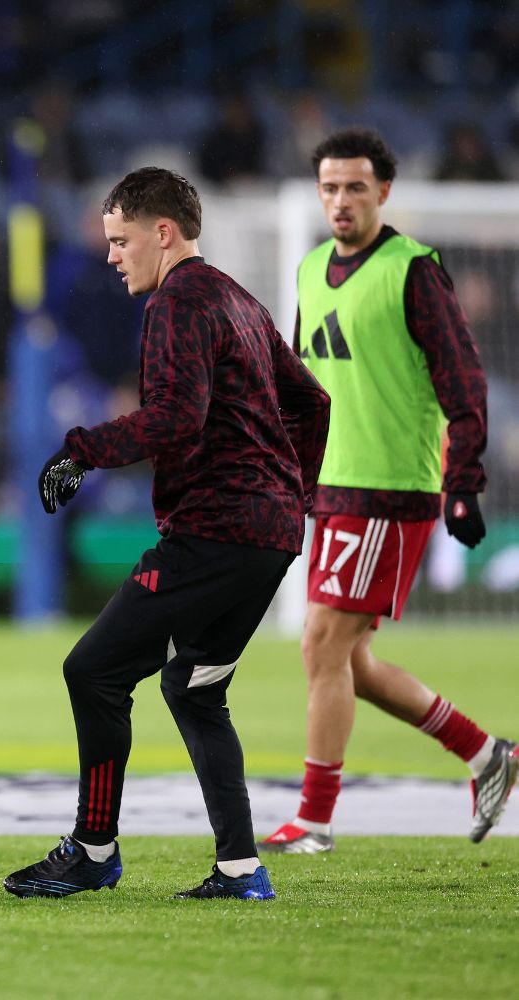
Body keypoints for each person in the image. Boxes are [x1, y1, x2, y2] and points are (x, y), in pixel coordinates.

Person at [5, 167, 330, 901]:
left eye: (120, 240)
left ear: (163, 233)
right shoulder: (238, 300)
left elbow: (178, 418)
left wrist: (81, 449)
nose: (112, 255)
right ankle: (242, 869)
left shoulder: (176, 303)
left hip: (216, 530)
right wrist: (293, 497)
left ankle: (93, 851)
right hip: (269, 535)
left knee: (93, 670)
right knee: (193, 688)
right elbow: (313, 403)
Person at [259, 128, 511, 855]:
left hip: (389, 486)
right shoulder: (309, 271)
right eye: (331, 188)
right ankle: (487, 753)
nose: (341, 200)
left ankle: (313, 820)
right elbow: (302, 391)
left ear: (384, 192)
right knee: (343, 660)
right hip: (334, 484)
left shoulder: (413, 271)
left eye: (356, 187)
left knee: (321, 642)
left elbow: (463, 381)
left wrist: (462, 483)